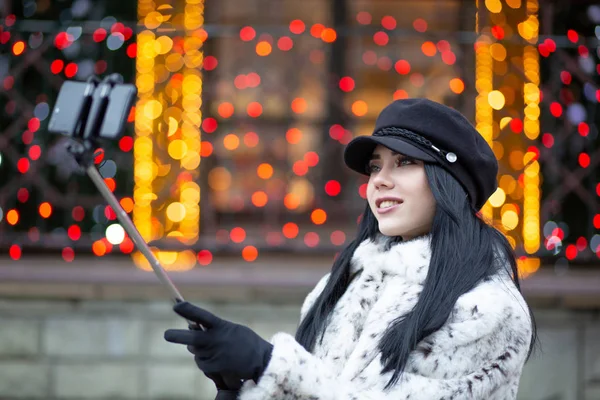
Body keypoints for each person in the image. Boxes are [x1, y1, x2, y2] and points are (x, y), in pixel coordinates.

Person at [164, 98, 538, 399]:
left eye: (404, 162)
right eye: (375, 167)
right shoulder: (346, 282)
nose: (380, 181)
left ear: (450, 183)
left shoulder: (489, 309)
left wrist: (270, 364)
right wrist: (239, 386)